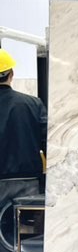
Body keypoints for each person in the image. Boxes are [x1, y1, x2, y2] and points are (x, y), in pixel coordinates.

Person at [0, 47, 47, 207]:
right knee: (26, 221)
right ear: (11, 74)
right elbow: (49, 142)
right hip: (27, 183)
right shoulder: (33, 104)